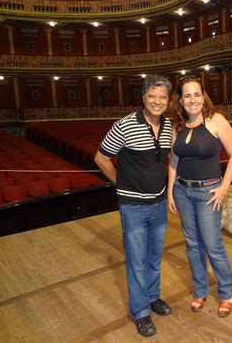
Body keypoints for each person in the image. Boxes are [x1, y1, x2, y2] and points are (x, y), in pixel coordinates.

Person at [94, 74, 173, 337]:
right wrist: (120, 183)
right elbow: (101, 157)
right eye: (152, 96)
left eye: (162, 97)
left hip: (159, 204)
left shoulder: (169, 124)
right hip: (134, 208)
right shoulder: (124, 126)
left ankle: (152, 296)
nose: (157, 101)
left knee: (154, 257)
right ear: (143, 98)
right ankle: (140, 312)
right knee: (137, 261)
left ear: (168, 101)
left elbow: (167, 159)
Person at [167, 75, 232, 318]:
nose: (192, 100)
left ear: (203, 96)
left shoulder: (216, 120)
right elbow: (174, 160)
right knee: (192, 244)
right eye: (187, 95)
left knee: (212, 244)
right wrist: (170, 190)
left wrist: (223, 188)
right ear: (181, 99)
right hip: (182, 191)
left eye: (196, 94)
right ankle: (200, 290)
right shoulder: (177, 125)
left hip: (208, 192)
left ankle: (227, 293)